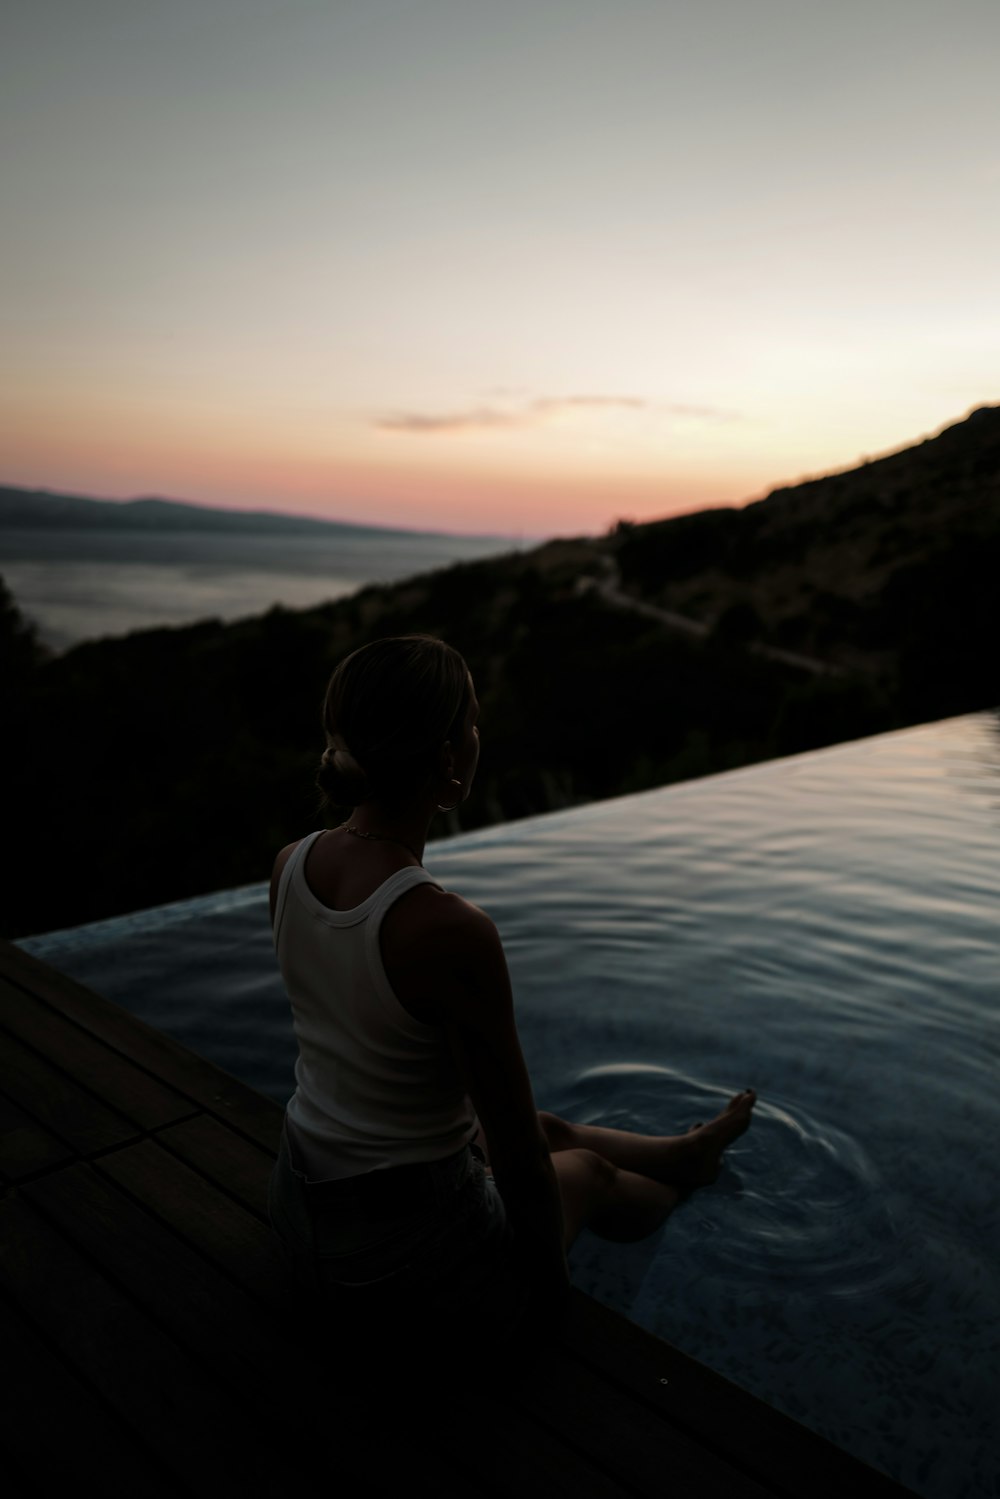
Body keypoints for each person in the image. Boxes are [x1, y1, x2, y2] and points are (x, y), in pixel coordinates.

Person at [266, 635, 756, 1370]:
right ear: (447, 757)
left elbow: (507, 1128)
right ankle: (689, 1204)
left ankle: (684, 1153)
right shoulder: (445, 928)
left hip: (301, 1209)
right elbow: (523, 1164)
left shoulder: (290, 864)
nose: (476, 735)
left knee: (543, 1123)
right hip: (390, 1269)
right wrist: (544, 1293)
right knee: (582, 1172)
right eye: (470, 721)